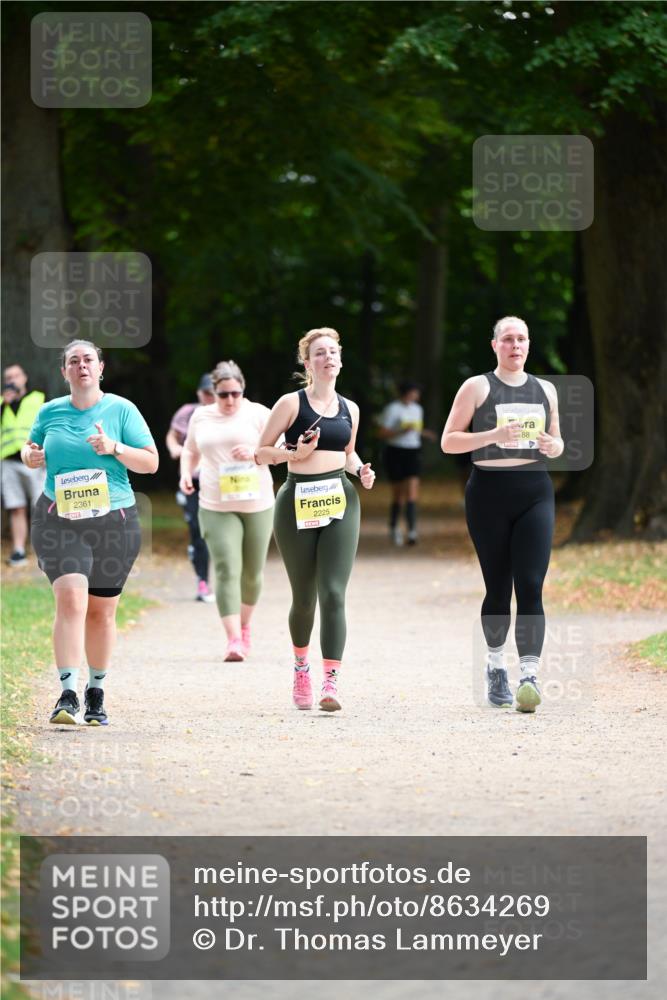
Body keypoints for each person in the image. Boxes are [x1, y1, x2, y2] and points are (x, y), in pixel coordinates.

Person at [22, 339, 158, 726]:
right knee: (70, 599)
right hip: (58, 519)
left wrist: (113, 447)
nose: (81, 366)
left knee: (101, 612)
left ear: (101, 369)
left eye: (88, 360)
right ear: (64, 372)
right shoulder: (49, 412)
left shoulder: (121, 410)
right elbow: (30, 450)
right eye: (73, 361)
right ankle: (67, 692)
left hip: (113, 521)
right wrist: (29, 456)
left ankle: (95, 690)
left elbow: (150, 463)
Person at [441, 316, 564, 713]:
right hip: (488, 494)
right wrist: (493, 435)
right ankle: (496, 666)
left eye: (522, 339)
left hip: (535, 494)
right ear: (494, 345)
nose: (516, 345)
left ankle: (529, 675)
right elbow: (448, 442)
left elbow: (559, 441)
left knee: (531, 584)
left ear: (529, 344)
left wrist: (552, 445)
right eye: (508, 339)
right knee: (498, 587)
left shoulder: (545, 389)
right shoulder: (477, 386)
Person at [255, 327, 376, 713]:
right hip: (296, 501)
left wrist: (362, 472)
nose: (328, 358)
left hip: (340, 498)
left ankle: (331, 681)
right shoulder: (291, 404)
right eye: (320, 353)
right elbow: (261, 453)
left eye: (334, 352)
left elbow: (349, 453)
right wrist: (292, 452)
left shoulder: (351, 408)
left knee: (334, 592)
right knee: (304, 598)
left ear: (340, 360)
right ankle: (301, 667)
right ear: (308, 363)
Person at [180, 360, 274, 661]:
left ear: (243, 390)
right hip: (215, 503)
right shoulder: (201, 416)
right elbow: (191, 450)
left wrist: (256, 453)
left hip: (257, 503)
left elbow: (283, 451)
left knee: (252, 573)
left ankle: (245, 627)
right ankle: (233, 639)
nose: (230, 400)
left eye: (236, 393)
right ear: (212, 393)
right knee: (226, 568)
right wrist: (185, 472)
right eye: (223, 395)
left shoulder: (259, 413)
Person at [166, 374, 216, 603]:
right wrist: (176, 449)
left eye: (214, 391)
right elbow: (172, 436)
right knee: (198, 530)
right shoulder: (188, 412)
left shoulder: (227, 412)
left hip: (220, 479)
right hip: (194, 480)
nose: (210, 396)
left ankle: (231, 583)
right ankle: (203, 580)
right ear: (199, 393)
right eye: (206, 392)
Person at [378, 380, 437, 545]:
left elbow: (416, 430)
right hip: (395, 452)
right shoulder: (392, 409)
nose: (417, 395)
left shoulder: (418, 409)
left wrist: (425, 434)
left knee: (412, 492)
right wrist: (400, 431)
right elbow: (382, 433)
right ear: (406, 392)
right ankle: (394, 527)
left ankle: (411, 531)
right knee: (398, 495)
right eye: (414, 391)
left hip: (413, 452)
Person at [1, 363, 46, 566]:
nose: (12, 380)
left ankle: (45, 550)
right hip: (8, 462)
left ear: (24, 378)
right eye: (8, 377)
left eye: (16, 376)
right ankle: (19, 550)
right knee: (16, 507)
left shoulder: (38, 398)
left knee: (42, 505)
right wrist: (4, 405)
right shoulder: (1, 403)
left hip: (35, 460)